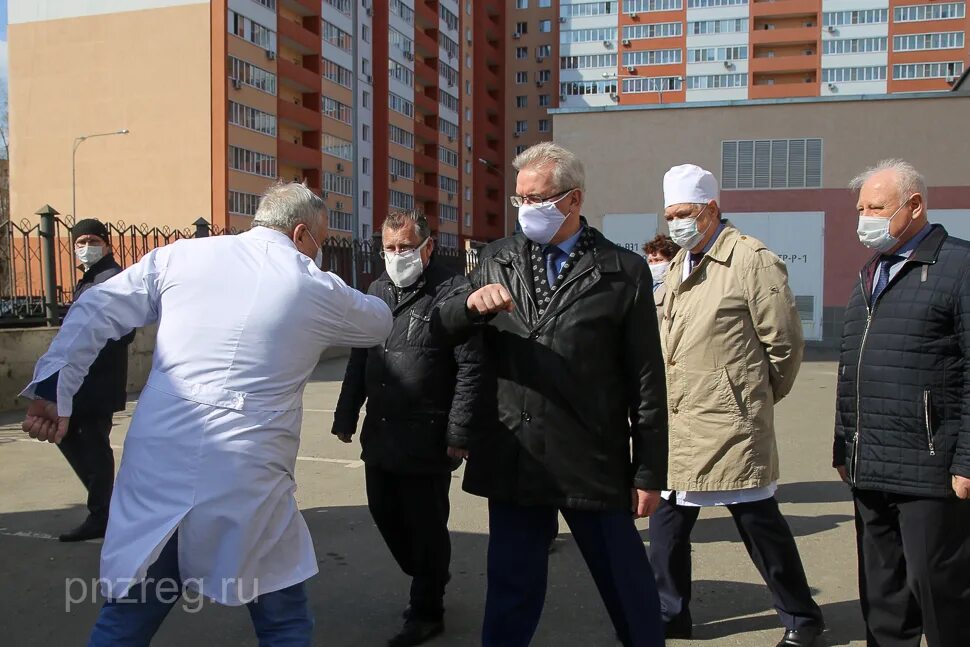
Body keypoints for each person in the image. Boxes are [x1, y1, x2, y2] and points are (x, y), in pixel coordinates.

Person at [21, 183, 392, 646]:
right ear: (301, 232)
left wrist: (57, 389)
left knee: (132, 610)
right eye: (319, 241)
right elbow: (378, 321)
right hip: (246, 473)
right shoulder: (312, 284)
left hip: (159, 461)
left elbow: (97, 307)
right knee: (281, 615)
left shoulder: (181, 256)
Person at [434, 142, 668, 647]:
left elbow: (646, 379)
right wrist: (470, 305)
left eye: (538, 198)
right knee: (511, 590)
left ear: (573, 199)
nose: (526, 210)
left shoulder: (621, 271)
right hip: (516, 456)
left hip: (590, 456)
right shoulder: (495, 258)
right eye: (520, 200)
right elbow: (442, 324)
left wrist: (649, 471)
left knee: (627, 586)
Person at [651, 164, 824, 647]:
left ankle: (801, 618)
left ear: (711, 210)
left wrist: (754, 397)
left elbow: (785, 344)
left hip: (731, 423)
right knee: (666, 529)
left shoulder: (751, 260)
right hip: (681, 422)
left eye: (684, 213)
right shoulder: (679, 264)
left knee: (759, 526)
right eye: (669, 215)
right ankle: (671, 612)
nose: (676, 223)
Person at [332, 210, 487, 647]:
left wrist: (459, 432)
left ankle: (426, 608)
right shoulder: (377, 290)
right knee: (384, 513)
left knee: (426, 524)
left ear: (428, 246)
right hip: (380, 432)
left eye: (405, 247)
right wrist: (346, 414)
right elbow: (360, 357)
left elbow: (471, 368)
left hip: (428, 434)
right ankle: (429, 572)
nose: (397, 256)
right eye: (390, 248)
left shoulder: (455, 292)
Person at [833, 159, 970, 647]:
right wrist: (843, 447)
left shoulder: (958, 265)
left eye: (876, 207)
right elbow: (854, 365)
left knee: (940, 591)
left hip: (930, 468)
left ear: (914, 206)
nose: (864, 217)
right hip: (870, 465)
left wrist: (966, 460)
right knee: (883, 595)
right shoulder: (873, 270)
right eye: (861, 208)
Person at [53, 218, 134, 542]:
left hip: (96, 379)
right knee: (70, 436)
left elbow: (123, 331)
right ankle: (107, 507)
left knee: (92, 442)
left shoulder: (110, 279)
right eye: (79, 242)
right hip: (82, 379)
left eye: (91, 240)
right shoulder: (92, 278)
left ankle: (103, 514)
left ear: (106, 243)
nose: (85, 247)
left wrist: (87, 351)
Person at [643, 234, 678, 316]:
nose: (654, 265)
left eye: (658, 260)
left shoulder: (676, 286)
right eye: (650, 261)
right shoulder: (646, 285)